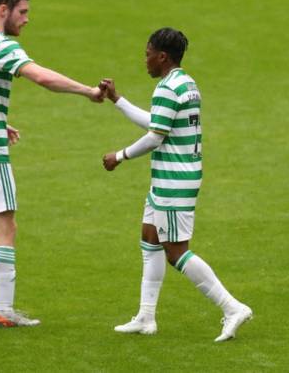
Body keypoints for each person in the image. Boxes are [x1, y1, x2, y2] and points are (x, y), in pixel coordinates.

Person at [0, 0, 104, 327]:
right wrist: (87, 91)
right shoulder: (0, 45)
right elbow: (41, 77)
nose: (26, 19)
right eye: (23, 12)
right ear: (3, 10)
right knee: (5, 224)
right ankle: (4, 309)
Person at [101, 27, 252, 342]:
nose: (145, 61)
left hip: (175, 180)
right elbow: (159, 122)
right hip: (170, 178)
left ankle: (232, 307)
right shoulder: (186, 82)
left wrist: (120, 155)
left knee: (175, 251)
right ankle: (145, 316)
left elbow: (155, 136)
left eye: (147, 54)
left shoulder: (168, 88)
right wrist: (118, 100)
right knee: (150, 237)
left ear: (162, 56)